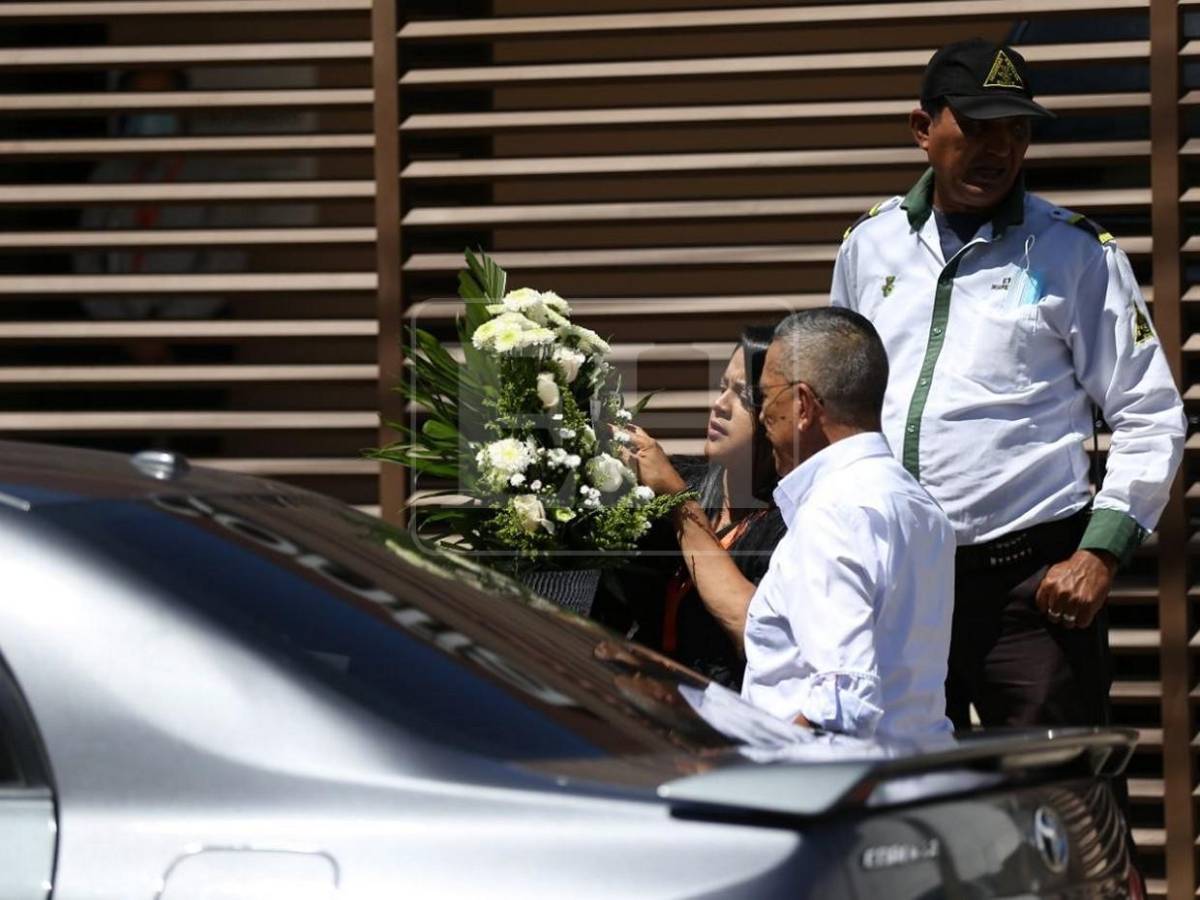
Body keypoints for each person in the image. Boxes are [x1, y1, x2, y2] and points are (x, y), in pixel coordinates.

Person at [830, 38, 1186, 731]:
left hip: (1030, 593)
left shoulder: (1074, 253)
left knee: (1061, 809)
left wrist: (1099, 551)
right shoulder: (867, 247)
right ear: (922, 129)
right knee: (910, 803)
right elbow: (842, 406)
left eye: (1016, 130)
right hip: (897, 589)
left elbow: (1149, 411)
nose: (999, 150)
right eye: (978, 127)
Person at [631, 309, 955, 740]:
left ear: (802, 404)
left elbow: (841, 705)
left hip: (830, 790)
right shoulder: (920, 505)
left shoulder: (833, 512)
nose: (763, 418)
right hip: (909, 774)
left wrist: (767, 773)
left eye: (762, 398)